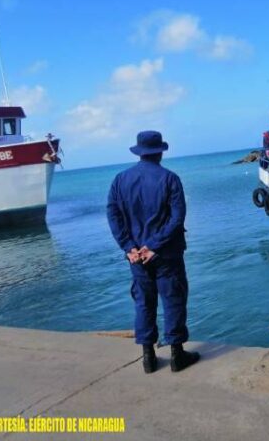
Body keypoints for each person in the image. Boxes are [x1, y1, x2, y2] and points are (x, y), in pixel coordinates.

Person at [106, 130, 200, 374]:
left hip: (136, 256)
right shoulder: (170, 179)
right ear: (159, 152)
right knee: (173, 299)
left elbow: (113, 216)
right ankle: (177, 354)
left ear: (139, 152)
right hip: (166, 254)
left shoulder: (120, 180)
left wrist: (129, 247)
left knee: (143, 303)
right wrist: (155, 245)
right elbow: (177, 218)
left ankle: (148, 357)